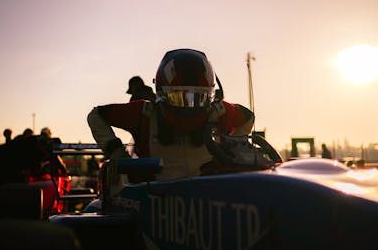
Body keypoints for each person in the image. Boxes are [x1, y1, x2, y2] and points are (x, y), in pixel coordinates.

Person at [87, 48, 255, 181]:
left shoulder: (218, 113)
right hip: (154, 202)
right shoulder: (144, 114)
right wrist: (116, 151)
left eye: (198, 98)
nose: (190, 107)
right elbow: (96, 115)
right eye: (180, 98)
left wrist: (233, 147)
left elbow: (248, 117)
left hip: (209, 200)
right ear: (161, 94)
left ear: (211, 95)